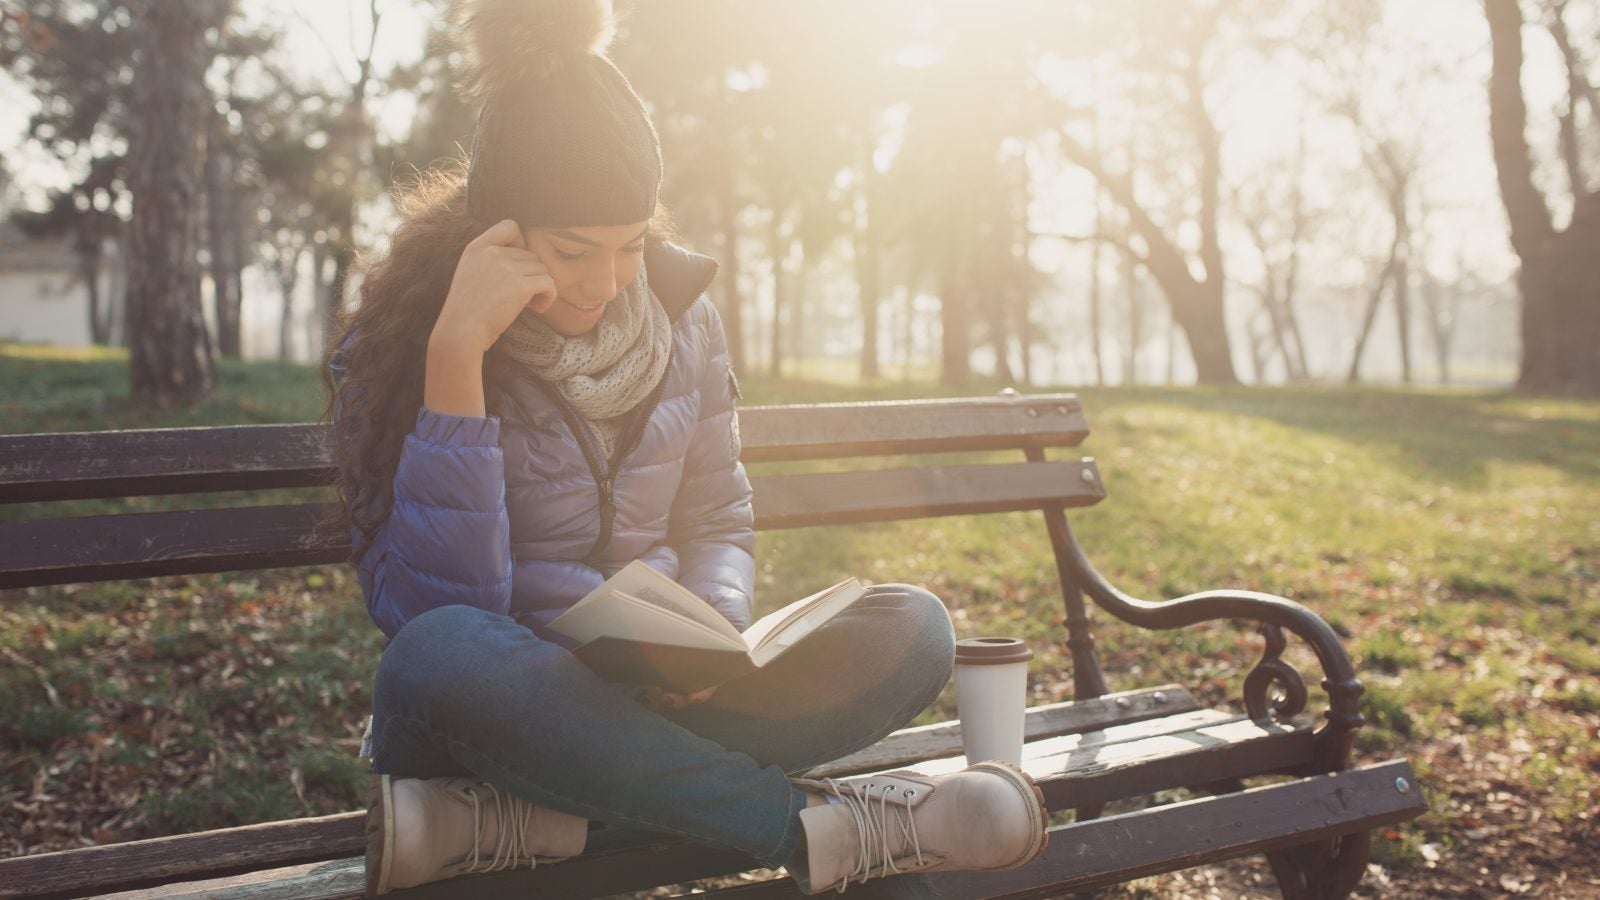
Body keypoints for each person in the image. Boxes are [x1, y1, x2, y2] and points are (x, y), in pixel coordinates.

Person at [324, 0, 1049, 893]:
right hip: (487, 712)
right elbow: (437, 606)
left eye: (629, 246)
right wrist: (456, 360)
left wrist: (709, 637)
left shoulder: (683, 322)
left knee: (913, 627)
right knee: (436, 651)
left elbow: (716, 513)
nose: (604, 283)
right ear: (498, 231)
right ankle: (820, 831)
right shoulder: (409, 345)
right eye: (572, 251)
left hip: (654, 703)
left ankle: (534, 821)